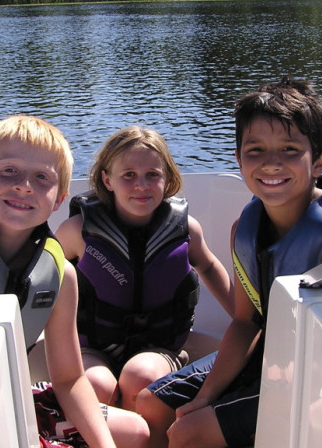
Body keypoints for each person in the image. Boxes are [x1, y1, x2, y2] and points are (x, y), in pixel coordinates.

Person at [135, 76, 322, 448]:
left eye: (290, 149)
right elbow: (246, 323)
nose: (271, 164)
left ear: (320, 161)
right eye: (255, 150)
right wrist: (206, 397)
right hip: (271, 356)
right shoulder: (244, 228)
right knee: (152, 404)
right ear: (239, 159)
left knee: (190, 434)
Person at [0, 115, 149, 448]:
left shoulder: (61, 276)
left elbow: (70, 379)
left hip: (9, 398)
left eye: (42, 177)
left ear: (59, 199)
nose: (24, 186)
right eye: (8, 171)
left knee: (136, 433)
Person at [55, 126, 235, 411]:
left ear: (168, 179)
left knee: (140, 377)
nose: (141, 185)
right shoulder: (77, 231)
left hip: (159, 349)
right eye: (129, 175)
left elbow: (211, 267)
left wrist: (244, 319)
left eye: (153, 174)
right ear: (107, 179)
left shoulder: (186, 230)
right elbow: (46, 282)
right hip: (93, 349)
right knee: (95, 386)